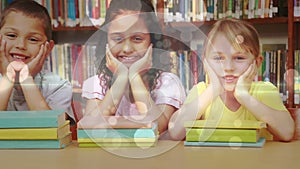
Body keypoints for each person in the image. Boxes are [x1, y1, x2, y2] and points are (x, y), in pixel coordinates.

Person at [168, 18, 295, 142]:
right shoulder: (201, 91)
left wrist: (244, 96)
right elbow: (175, 132)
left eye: (239, 58)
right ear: (205, 62)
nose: (228, 68)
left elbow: (287, 132)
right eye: (218, 58)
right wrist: (213, 90)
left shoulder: (264, 90)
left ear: (257, 63)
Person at [81, 0, 186, 135]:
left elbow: (157, 127)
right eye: (118, 39)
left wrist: (134, 76)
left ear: (152, 41)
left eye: (137, 38)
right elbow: (90, 129)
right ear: (106, 41)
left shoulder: (167, 83)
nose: (127, 48)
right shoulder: (97, 83)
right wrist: (121, 77)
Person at [0, 0, 74, 122]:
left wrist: (26, 78)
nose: (20, 45)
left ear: (48, 48)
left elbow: (52, 127)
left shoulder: (58, 87)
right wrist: (7, 78)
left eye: (33, 39)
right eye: (12, 35)